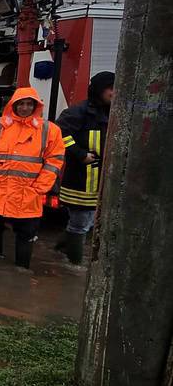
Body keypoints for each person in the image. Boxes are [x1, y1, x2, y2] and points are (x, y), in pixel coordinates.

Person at [0, 87, 65, 268]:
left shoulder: (49, 130)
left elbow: (55, 160)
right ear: (13, 104)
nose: (25, 108)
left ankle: (20, 273)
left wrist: (39, 188)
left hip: (28, 195)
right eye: (21, 104)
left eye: (29, 104)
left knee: (26, 239)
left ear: (35, 106)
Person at [55, 71, 115, 264]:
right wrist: (81, 155)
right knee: (80, 225)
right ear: (99, 89)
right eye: (111, 88)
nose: (115, 92)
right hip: (81, 180)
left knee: (85, 223)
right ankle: (74, 267)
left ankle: (60, 249)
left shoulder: (112, 111)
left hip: (99, 180)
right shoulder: (78, 112)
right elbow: (59, 134)